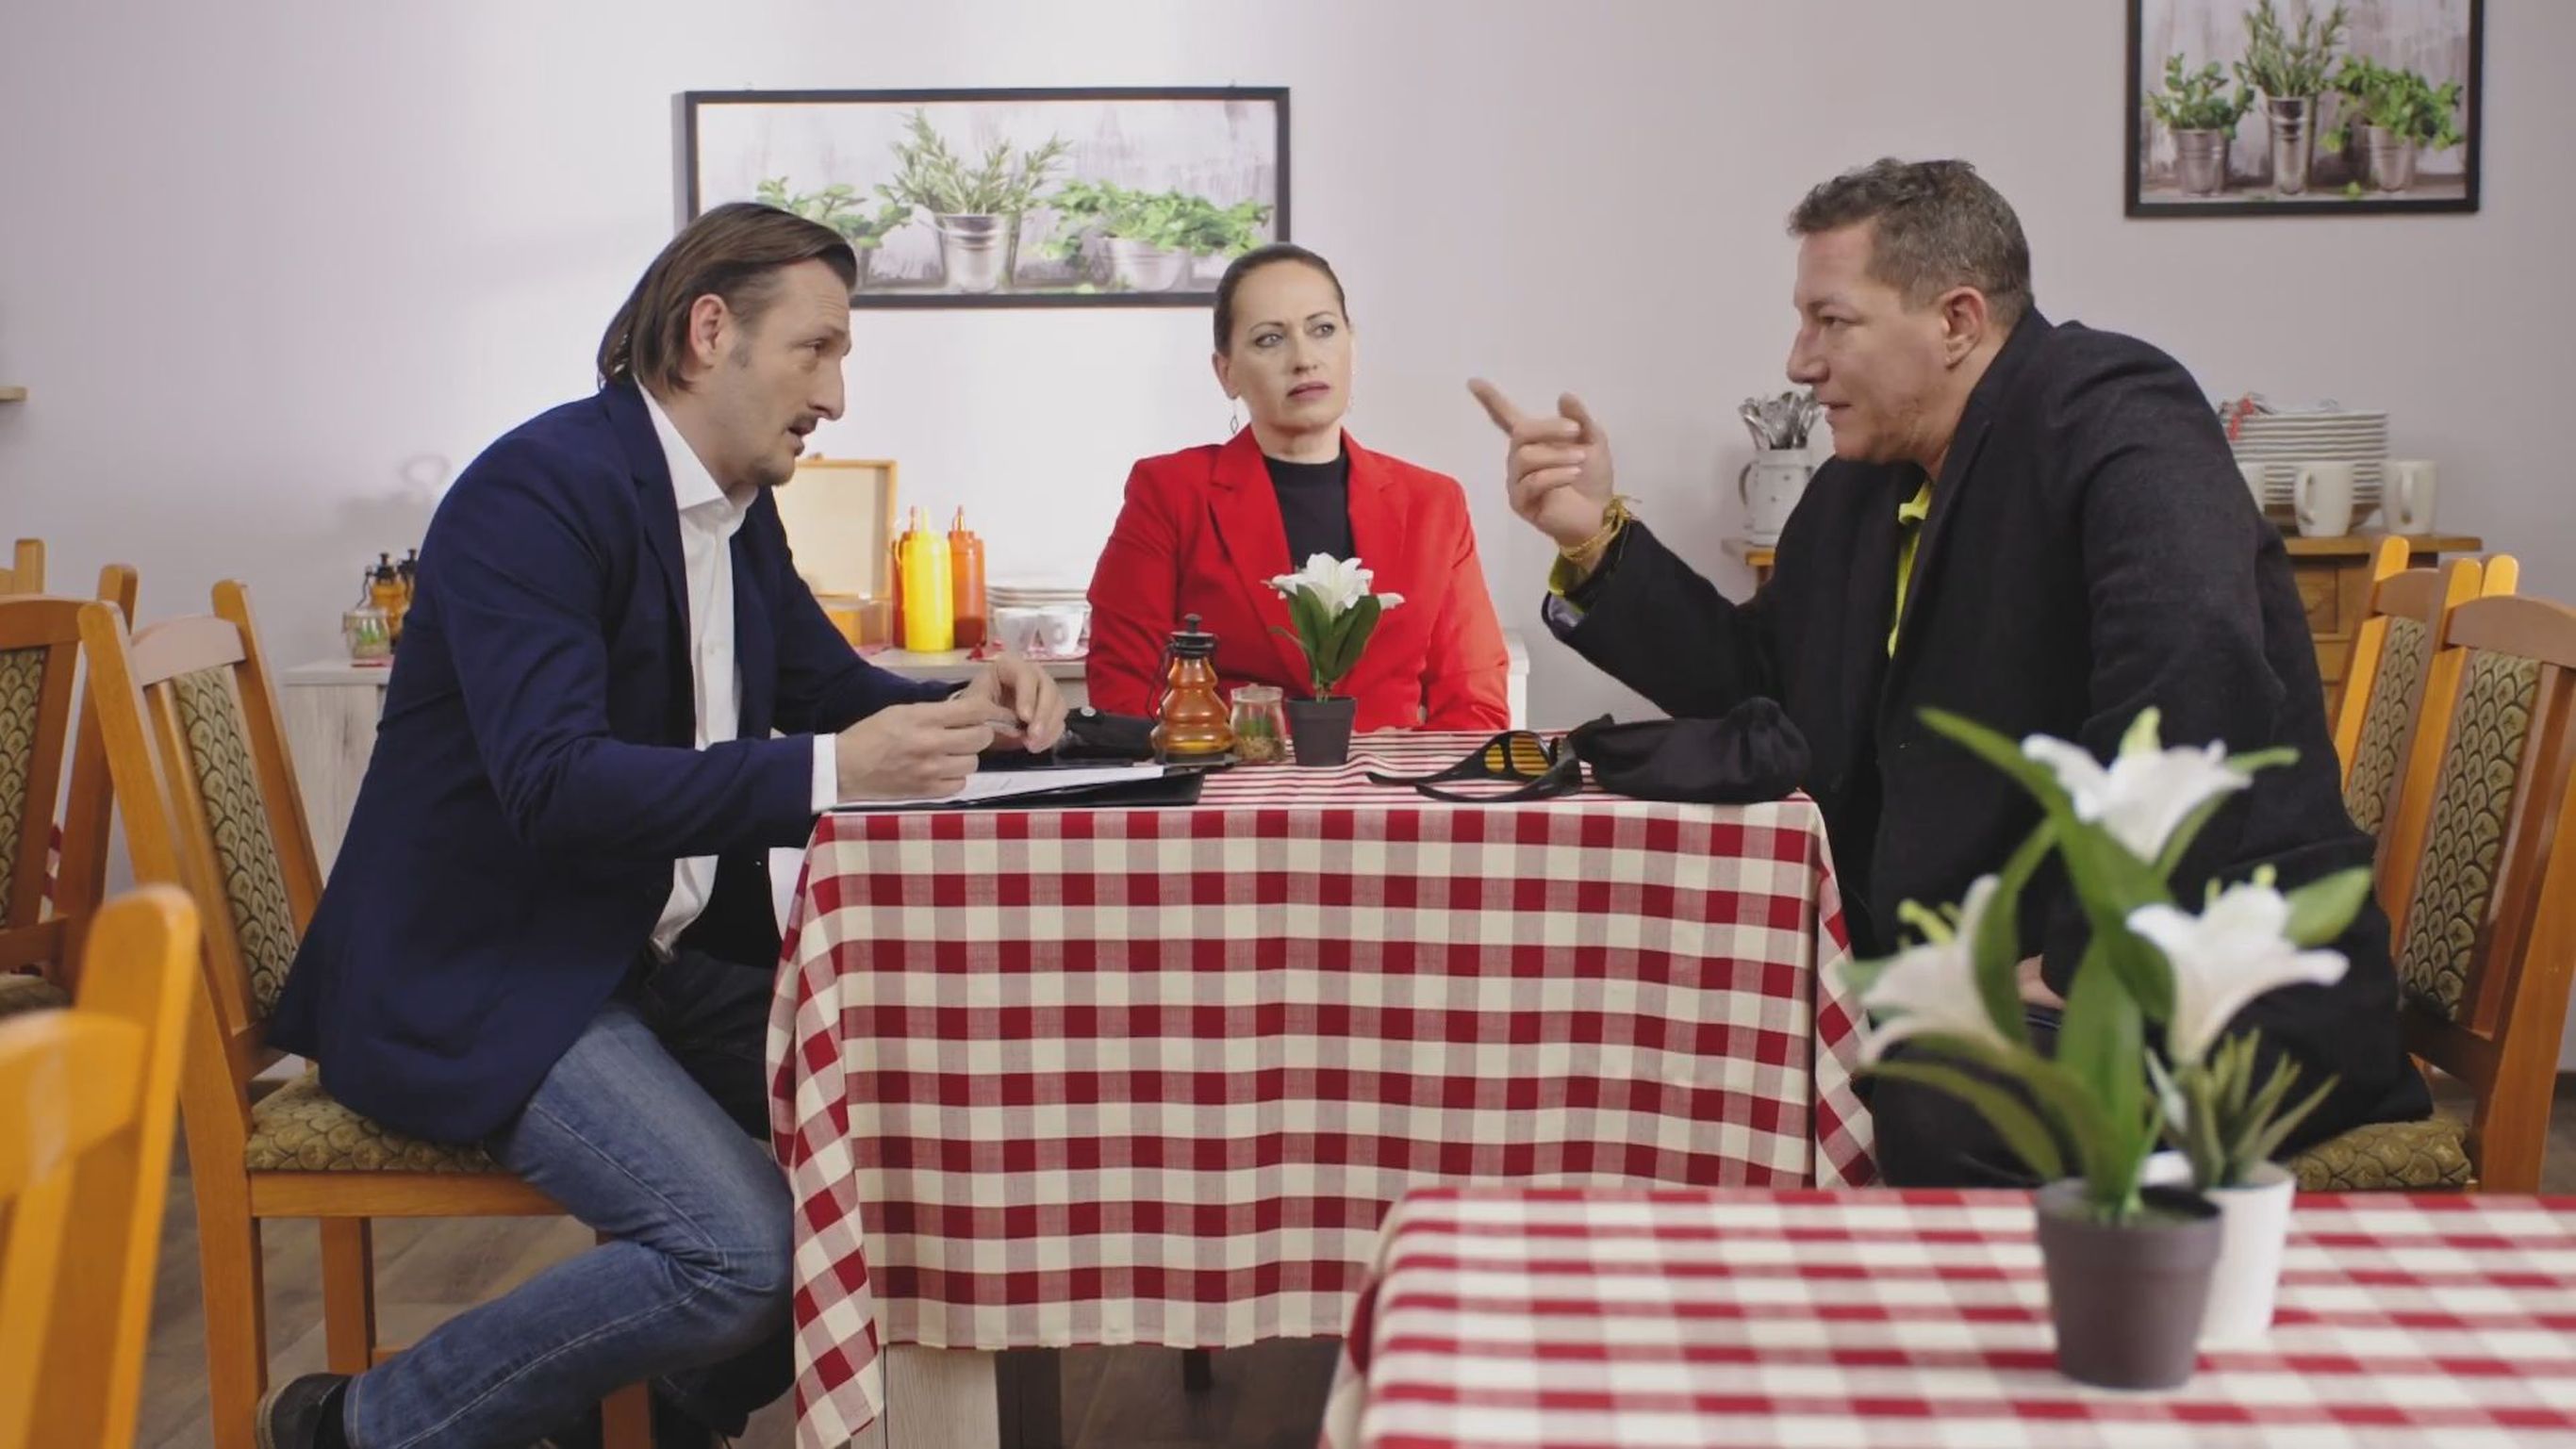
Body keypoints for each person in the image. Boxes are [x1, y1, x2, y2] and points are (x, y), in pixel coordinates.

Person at [257, 202, 1066, 1449]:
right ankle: (364, 1423)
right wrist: (829, 772)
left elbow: (829, 690)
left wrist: (976, 708)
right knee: (739, 1251)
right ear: (708, 332)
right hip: (487, 972)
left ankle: (632, 1419)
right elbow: (556, 784)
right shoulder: (535, 494)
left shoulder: (734, 510)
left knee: (929, 1136)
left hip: (643, 957)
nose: (836, 396)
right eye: (816, 350)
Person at [1470, 158, 2428, 1187]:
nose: (1799, 361)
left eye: (1830, 321)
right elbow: (1758, 681)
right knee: (1694, 1013)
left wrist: (2086, 956)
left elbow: (2192, 675)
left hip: (2213, 985)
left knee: (1936, 1092)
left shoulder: (2119, 412)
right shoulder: (1860, 487)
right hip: (1984, 966)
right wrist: (1592, 536)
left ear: (1957, 322)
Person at [1086, 243, 1511, 732]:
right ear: (1227, 373)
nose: (1304, 359)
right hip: (1226, 776)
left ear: (1352, 345)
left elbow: (1476, 708)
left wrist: (1393, 770)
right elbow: (1124, 693)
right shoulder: (1169, 492)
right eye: (1269, 339)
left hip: (1395, 778)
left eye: (1323, 329)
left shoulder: (1434, 503)